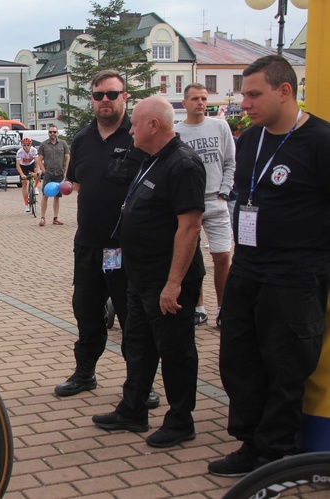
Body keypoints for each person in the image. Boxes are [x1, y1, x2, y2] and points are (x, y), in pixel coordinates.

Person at [208, 55, 330, 477]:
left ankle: (276, 456)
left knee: (285, 366)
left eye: (254, 94)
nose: (245, 102)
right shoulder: (250, 140)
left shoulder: (320, 141)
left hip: (295, 277)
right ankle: (249, 443)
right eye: (244, 94)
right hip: (248, 270)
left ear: (285, 91)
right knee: (239, 360)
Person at [91, 96, 206, 449]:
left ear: (153, 126)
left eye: (135, 123)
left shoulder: (183, 165)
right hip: (139, 275)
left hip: (167, 278)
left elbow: (189, 227)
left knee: (175, 349)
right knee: (138, 345)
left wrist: (173, 284)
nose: (130, 130)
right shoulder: (151, 160)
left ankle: (180, 421)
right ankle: (133, 409)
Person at [56, 69, 160, 408]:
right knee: (86, 311)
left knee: (132, 318)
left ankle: (141, 383)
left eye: (112, 95)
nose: (105, 101)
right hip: (88, 243)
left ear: (124, 98)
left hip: (124, 248)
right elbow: (80, 183)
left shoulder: (138, 137)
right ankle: (85, 372)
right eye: (99, 94)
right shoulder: (83, 138)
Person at [175, 83, 236, 327]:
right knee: (191, 257)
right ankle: (198, 306)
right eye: (195, 98)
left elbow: (231, 162)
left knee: (222, 256)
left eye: (203, 98)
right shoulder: (177, 131)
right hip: (190, 203)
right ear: (185, 103)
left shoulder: (220, 126)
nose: (200, 103)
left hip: (216, 199)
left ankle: (224, 307)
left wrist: (225, 192)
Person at [37, 124, 70, 226]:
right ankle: (42, 218)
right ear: (48, 133)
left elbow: (68, 158)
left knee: (57, 196)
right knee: (45, 195)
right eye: (50, 132)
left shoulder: (63, 144)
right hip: (49, 173)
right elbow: (39, 159)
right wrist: (43, 170)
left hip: (59, 174)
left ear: (57, 133)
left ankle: (55, 218)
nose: (52, 134)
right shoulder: (43, 145)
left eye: (54, 132)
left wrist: (66, 172)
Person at [16, 137, 39, 213]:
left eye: (28, 145)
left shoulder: (34, 150)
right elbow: (18, 165)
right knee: (24, 183)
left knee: (37, 172)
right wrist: (22, 174)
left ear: (30, 145)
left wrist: (37, 171)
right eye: (25, 145)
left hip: (31, 164)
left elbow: (37, 162)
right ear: (22, 145)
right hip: (23, 166)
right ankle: (26, 204)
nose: (26, 147)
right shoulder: (20, 152)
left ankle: (35, 187)